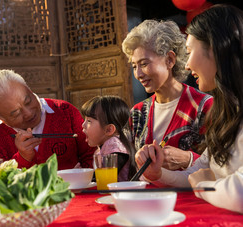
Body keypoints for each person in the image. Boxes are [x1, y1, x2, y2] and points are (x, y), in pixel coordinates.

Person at [135, 4, 243, 213]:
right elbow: (196, 173)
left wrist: (204, 186)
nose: (186, 65)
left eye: (190, 51)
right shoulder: (226, 113)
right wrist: (158, 173)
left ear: (215, 49)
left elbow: (237, 192)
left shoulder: (204, 105)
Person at [122, 19, 213, 171]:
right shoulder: (137, 113)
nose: (138, 74)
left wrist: (189, 159)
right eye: (134, 66)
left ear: (170, 60)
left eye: (144, 64)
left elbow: (223, 168)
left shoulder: (204, 106)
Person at [0, 69, 95, 170]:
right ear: (1, 118)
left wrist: (82, 177)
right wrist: (22, 157)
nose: (28, 113)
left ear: (30, 90)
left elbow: (92, 155)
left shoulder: (65, 111)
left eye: (28, 101)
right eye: (15, 113)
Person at [81, 95, 137, 181]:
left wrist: (80, 177)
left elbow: (104, 178)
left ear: (109, 129)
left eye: (89, 121)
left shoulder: (114, 146)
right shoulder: (105, 146)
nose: (83, 125)